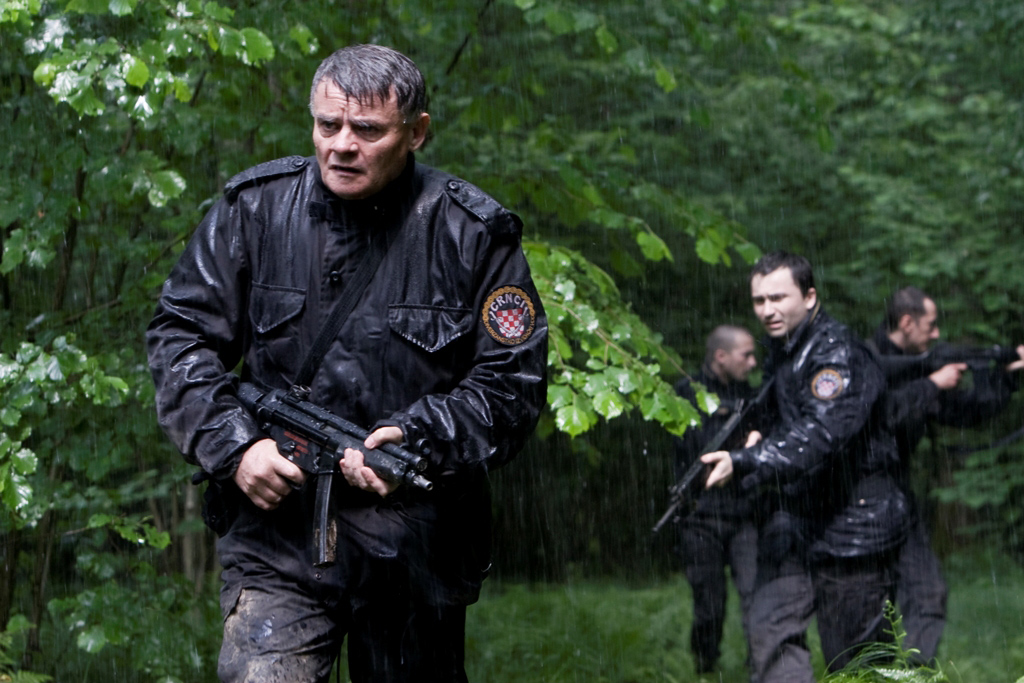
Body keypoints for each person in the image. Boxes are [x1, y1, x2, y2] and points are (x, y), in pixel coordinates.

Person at [146, 44, 548, 683]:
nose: (341, 146)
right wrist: (235, 447)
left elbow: (512, 386)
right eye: (327, 125)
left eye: (367, 129)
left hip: (416, 546)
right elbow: (180, 337)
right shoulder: (255, 210)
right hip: (277, 539)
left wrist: (419, 440)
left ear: (416, 131)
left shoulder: (472, 234)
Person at [702, 251, 907, 682]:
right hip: (798, 517)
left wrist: (748, 459)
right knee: (770, 632)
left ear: (809, 297)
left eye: (778, 298)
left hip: (854, 526)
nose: (767, 310)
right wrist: (758, 435)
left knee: (855, 663)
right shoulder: (784, 350)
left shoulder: (836, 351)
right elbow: (786, 415)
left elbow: (822, 434)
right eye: (759, 300)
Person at [868, 286, 1024, 665]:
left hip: (898, 497)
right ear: (907, 322)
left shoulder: (923, 364)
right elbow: (882, 418)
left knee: (928, 594)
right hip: (856, 500)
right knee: (869, 606)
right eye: (931, 325)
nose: (937, 334)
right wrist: (931, 384)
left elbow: (965, 413)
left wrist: (1005, 377)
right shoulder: (864, 362)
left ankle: (915, 674)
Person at [671, 325, 761, 675]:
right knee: (709, 605)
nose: (752, 363)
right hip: (700, 516)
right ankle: (705, 668)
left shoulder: (750, 396)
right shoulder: (686, 394)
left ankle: (763, 668)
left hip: (744, 514)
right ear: (721, 356)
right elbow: (694, 452)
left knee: (756, 596)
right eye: (746, 355)